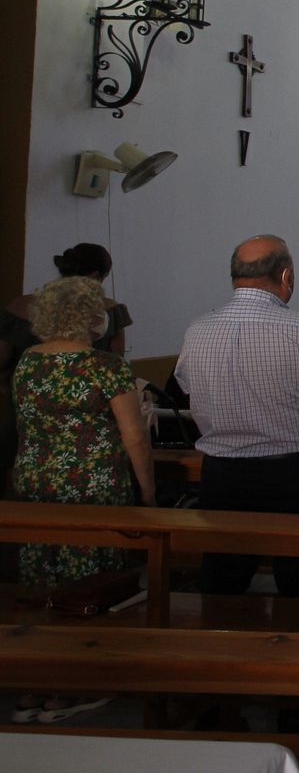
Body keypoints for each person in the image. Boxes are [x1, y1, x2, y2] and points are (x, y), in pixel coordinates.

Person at [176, 235, 299, 595]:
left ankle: (220, 642)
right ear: (286, 275)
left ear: (234, 277)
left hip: (223, 472)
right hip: (297, 473)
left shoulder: (197, 331)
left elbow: (188, 390)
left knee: (223, 580)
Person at [9, 274, 154, 724]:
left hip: (35, 484)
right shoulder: (104, 367)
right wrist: (148, 495)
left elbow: (24, 425)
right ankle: (76, 683)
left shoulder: (27, 362)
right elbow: (134, 438)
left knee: (42, 584)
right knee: (90, 585)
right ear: (90, 316)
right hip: (91, 485)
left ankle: (34, 685)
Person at [1, 243, 132, 489]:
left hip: (27, 413)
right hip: (90, 422)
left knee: (16, 467)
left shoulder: (20, 306)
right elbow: (118, 359)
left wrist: (9, 384)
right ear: (95, 276)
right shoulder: (109, 310)